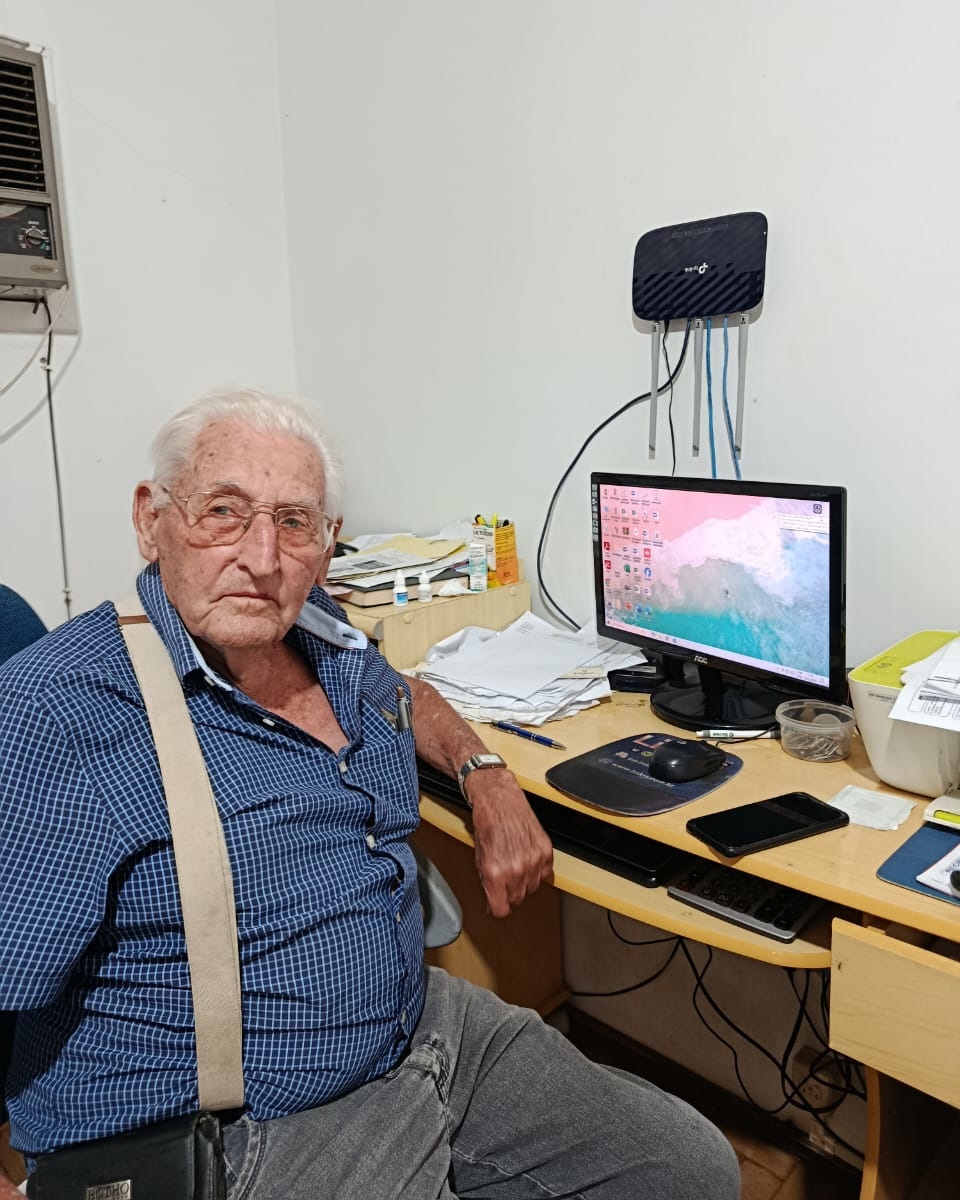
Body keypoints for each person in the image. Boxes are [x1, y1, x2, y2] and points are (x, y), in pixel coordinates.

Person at [0, 388, 739, 1199]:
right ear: (152, 520)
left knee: (687, 1168)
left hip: (423, 1025)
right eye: (223, 512)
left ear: (327, 545)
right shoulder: (59, 709)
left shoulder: (316, 627)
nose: (262, 557)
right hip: (242, 1126)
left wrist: (484, 774)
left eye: (293, 523)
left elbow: (403, 693)